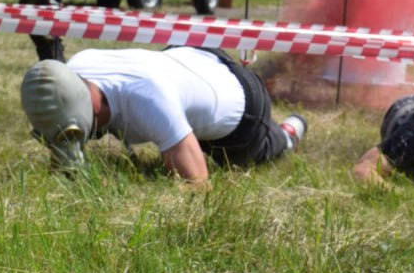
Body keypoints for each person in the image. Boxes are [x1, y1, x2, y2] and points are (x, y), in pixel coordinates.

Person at [20, 46, 306, 183]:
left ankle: (289, 132)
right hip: (189, 59)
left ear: (94, 108)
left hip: (241, 106)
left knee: (252, 156)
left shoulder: (148, 100)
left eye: (72, 134)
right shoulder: (76, 69)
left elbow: (197, 183)